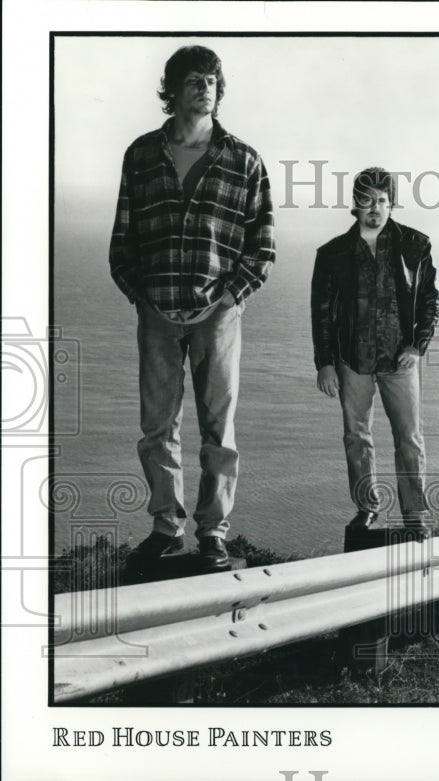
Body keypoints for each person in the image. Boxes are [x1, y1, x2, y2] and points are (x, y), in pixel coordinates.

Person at [110, 46, 275, 569]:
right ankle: (165, 527)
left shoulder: (245, 160)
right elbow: (123, 242)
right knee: (158, 427)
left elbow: (262, 244)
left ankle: (213, 533)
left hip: (219, 315)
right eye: (194, 79)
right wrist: (144, 299)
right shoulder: (140, 155)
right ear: (174, 89)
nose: (204, 87)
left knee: (217, 429)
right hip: (157, 313)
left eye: (211, 80)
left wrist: (230, 298)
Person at [311, 167, 439, 538]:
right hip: (353, 361)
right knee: (357, 437)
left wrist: (418, 345)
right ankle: (366, 508)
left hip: (400, 359)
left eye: (382, 201)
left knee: (409, 438)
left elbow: (430, 300)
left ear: (392, 204)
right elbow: (321, 313)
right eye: (367, 201)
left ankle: (415, 514)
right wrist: (325, 364)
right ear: (355, 205)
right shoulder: (332, 253)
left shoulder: (415, 245)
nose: (374, 208)